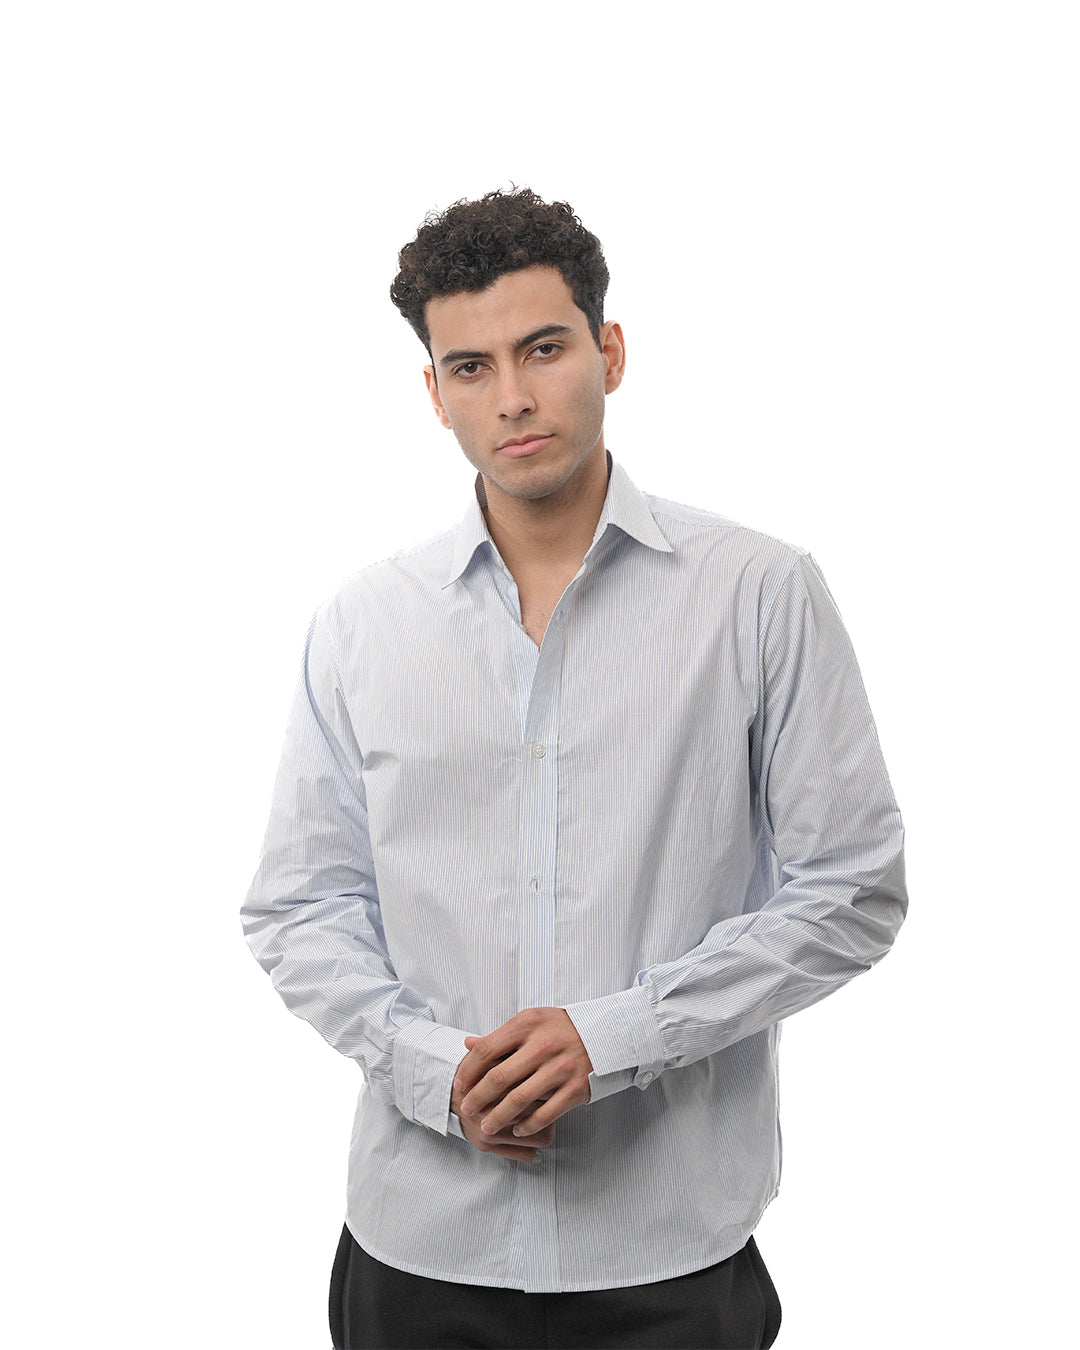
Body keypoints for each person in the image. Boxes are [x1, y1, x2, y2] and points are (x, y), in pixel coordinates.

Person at [242, 188, 907, 1349]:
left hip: (671, 1255)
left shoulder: (760, 594)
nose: (512, 397)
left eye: (543, 349)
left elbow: (853, 890)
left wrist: (620, 1036)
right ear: (434, 393)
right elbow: (300, 908)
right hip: (419, 1251)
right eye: (470, 367)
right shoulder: (363, 623)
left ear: (610, 352)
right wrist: (437, 1073)